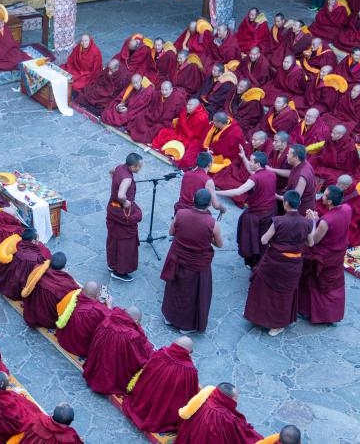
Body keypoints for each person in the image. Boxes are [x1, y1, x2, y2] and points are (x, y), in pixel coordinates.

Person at [244, 191, 310, 336]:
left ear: (286, 203)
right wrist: (313, 222)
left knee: (263, 289)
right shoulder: (307, 222)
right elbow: (310, 242)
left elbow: (264, 240)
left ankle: (260, 317)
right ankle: (278, 324)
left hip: (274, 262)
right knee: (284, 295)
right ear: (298, 204)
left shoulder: (278, 221)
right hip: (293, 264)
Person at [161, 189, 223, 334]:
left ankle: (169, 318)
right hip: (197, 263)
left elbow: (171, 232)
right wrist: (209, 238)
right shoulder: (213, 224)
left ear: (193, 199)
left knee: (175, 288)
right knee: (192, 293)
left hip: (178, 257)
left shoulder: (180, 214)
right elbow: (219, 244)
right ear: (209, 205)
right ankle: (186, 325)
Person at [122, 336, 200, 434]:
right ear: (189, 352)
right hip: (163, 412)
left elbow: (145, 371)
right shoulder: (190, 371)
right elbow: (190, 394)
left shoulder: (161, 353)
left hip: (142, 400)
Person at [216, 152, 277, 268]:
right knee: (262, 238)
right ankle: (262, 263)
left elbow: (238, 192)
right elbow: (252, 172)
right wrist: (243, 157)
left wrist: (215, 192)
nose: (249, 162)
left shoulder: (256, 177)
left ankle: (255, 263)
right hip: (270, 210)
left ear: (258, 164)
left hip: (257, 214)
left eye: (251, 161)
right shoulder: (270, 173)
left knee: (252, 239)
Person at [299, 186, 351, 324]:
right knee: (334, 283)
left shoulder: (326, 221)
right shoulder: (347, 208)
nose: (322, 196)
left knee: (304, 260)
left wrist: (312, 222)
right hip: (338, 253)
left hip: (324, 256)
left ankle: (308, 310)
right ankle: (332, 314)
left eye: (325, 195)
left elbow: (314, 241)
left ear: (329, 202)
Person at [82, 306, 153, 395]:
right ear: (136, 320)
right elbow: (139, 358)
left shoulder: (107, 320)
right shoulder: (132, 336)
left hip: (95, 370)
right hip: (111, 377)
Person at [176, 383, 263, 443]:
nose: (236, 401)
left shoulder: (202, 399)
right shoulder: (227, 417)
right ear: (228, 399)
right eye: (235, 399)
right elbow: (240, 435)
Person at [107, 153, 143, 282]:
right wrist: (126, 202)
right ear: (133, 167)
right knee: (126, 242)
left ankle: (112, 264)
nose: (140, 169)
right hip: (121, 211)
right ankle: (120, 271)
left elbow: (111, 172)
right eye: (139, 166)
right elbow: (121, 195)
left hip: (112, 207)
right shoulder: (127, 179)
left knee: (114, 237)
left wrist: (115, 182)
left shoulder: (119, 168)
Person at [21, 252, 79, 329]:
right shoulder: (67, 284)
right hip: (49, 320)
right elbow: (75, 296)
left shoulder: (38, 270)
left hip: (32, 312)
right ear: (64, 267)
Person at [55, 281, 111, 358]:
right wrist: (109, 305)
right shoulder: (98, 310)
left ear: (82, 290)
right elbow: (110, 321)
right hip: (82, 349)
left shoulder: (73, 295)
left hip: (64, 340)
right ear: (97, 295)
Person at [153, 98, 210, 169]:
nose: (187, 107)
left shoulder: (202, 118)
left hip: (191, 138)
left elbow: (196, 134)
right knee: (163, 132)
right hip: (180, 133)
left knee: (190, 149)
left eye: (190, 105)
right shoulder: (186, 111)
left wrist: (182, 134)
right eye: (187, 104)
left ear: (196, 107)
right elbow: (179, 125)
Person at [0, 229, 51, 301]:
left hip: (11, 278)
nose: (38, 241)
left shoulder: (19, 246)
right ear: (33, 241)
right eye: (37, 239)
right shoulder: (35, 258)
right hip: (21, 284)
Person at [101, 74, 156, 140]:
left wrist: (128, 110)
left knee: (125, 118)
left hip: (137, 112)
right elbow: (128, 99)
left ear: (141, 81)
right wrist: (121, 105)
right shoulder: (133, 88)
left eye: (136, 83)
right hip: (130, 110)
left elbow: (144, 107)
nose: (135, 85)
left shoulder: (148, 91)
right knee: (108, 112)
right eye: (133, 83)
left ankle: (123, 124)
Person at [271, 145, 315, 215]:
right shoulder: (302, 162)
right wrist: (272, 170)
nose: (286, 155)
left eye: (289, 154)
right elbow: (291, 173)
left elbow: (294, 198)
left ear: (296, 158)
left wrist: (277, 196)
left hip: (302, 210)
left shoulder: (302, 176)